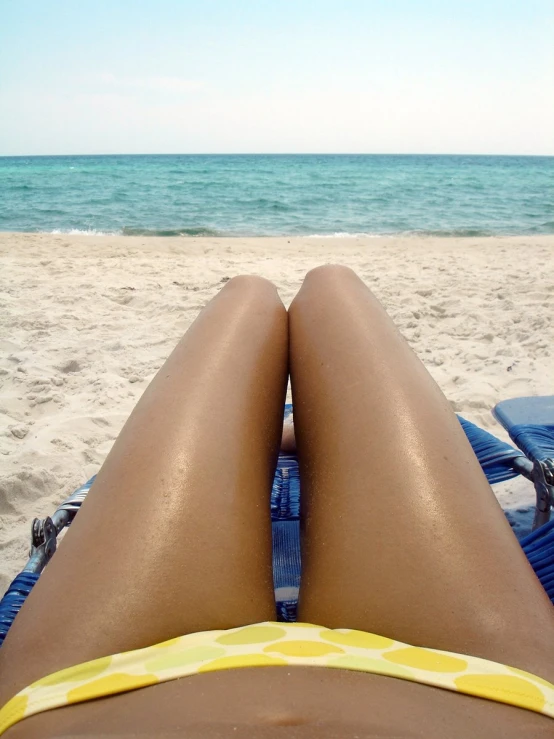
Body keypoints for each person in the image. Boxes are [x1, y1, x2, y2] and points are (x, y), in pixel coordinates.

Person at [0, 266, 553, 739]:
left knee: (250, 295)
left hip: (84, 697)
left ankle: (284, 429)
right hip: (484, 693)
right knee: (331, 287)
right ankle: (296, 431)